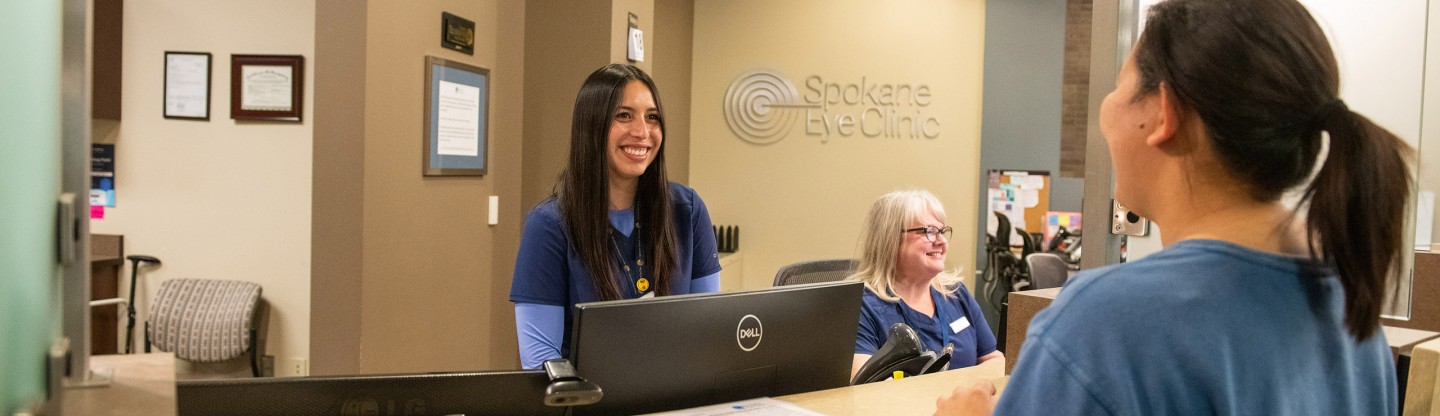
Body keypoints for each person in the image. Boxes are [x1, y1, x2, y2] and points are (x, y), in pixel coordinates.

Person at [936, 0, 1408, 414]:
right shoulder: (1349, 307)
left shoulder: (1108, 323)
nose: (1106, 108)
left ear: (1165, 113)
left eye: (1119, 83)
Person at [509, 64, 722, 370]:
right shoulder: (549, 225)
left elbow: (708, 329)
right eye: (624, 115)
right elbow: (541, 362)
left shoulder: (686, 210)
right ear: (592, 126)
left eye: (652, 117)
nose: (642, 132)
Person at [849, 190, 1003, 381]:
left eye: (942, 231)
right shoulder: (863, 305)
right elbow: (864, 382)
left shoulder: (955, 293)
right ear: (891, 238)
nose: (942, 241)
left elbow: (995, 359)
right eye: (929, 231)